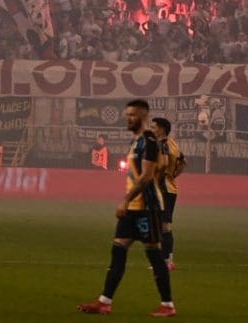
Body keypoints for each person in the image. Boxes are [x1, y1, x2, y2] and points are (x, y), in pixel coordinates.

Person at [78, 99, 175, 318]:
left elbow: (147, 176)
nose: (128, 118)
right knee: (118, 250)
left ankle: (168, 305)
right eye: (127, 114)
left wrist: (125, 199)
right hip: (133, 207)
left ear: (143, 115)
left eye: (133, 115)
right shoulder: (137, 141)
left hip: (147, 207)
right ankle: (104, 302)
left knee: (154, 254)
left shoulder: (149, 141)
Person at [150, 117, 184, 271]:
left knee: (163, 226)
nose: (152, 130)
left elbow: (162, 164)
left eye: (154, 127)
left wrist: (156, 175)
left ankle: (165, 262)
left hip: (163, 189)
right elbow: (182, 162)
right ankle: (167, 260)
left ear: (162, 129)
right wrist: (172, 176)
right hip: (170, 188)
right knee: (164, 225)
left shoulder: (162, 144)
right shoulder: (173, 143)